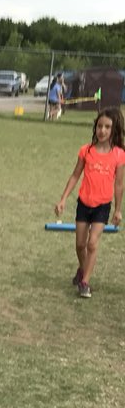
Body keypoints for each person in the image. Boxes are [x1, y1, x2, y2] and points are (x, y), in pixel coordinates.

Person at [54, 107, 125, 299]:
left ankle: (85, 282)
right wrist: (63, 199)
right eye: (100, 126)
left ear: (114, 130)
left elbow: (119, 184)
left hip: (102, 206)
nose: (102, 130)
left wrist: (118, 210)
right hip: (84, 204)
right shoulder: (86, 151)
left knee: (92, 244)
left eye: (107, 127)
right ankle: (82, 269)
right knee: (80, 245)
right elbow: (75, 175)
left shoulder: (119, 155)